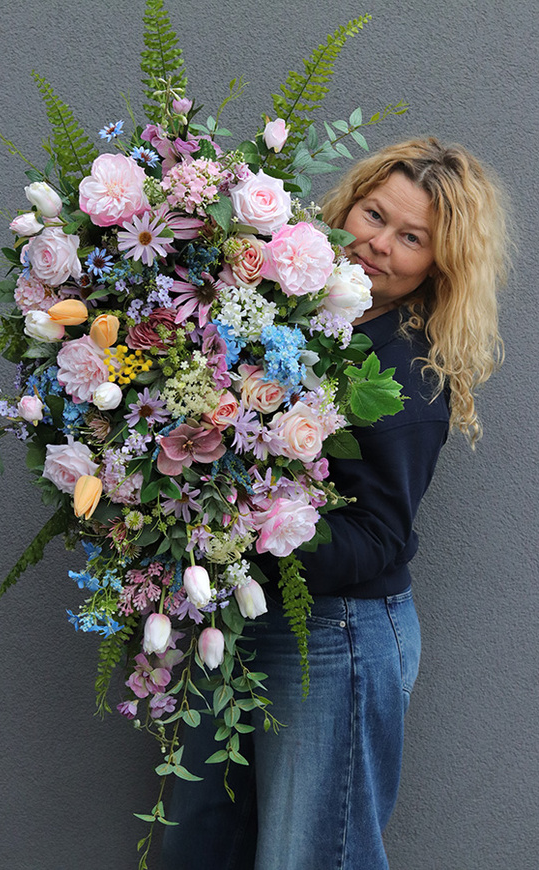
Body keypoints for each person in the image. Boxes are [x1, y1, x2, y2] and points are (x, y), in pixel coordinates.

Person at [160, 137, 509, 870]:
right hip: (245, 613)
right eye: (373, 214)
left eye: (411, 238)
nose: (379, 244)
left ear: (437, 266)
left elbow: (379, 536)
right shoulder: (295, 316)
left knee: (311, 856)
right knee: (200, 841)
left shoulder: (407, 374)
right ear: (347, 202)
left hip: (335, 638)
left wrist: (245, 530)